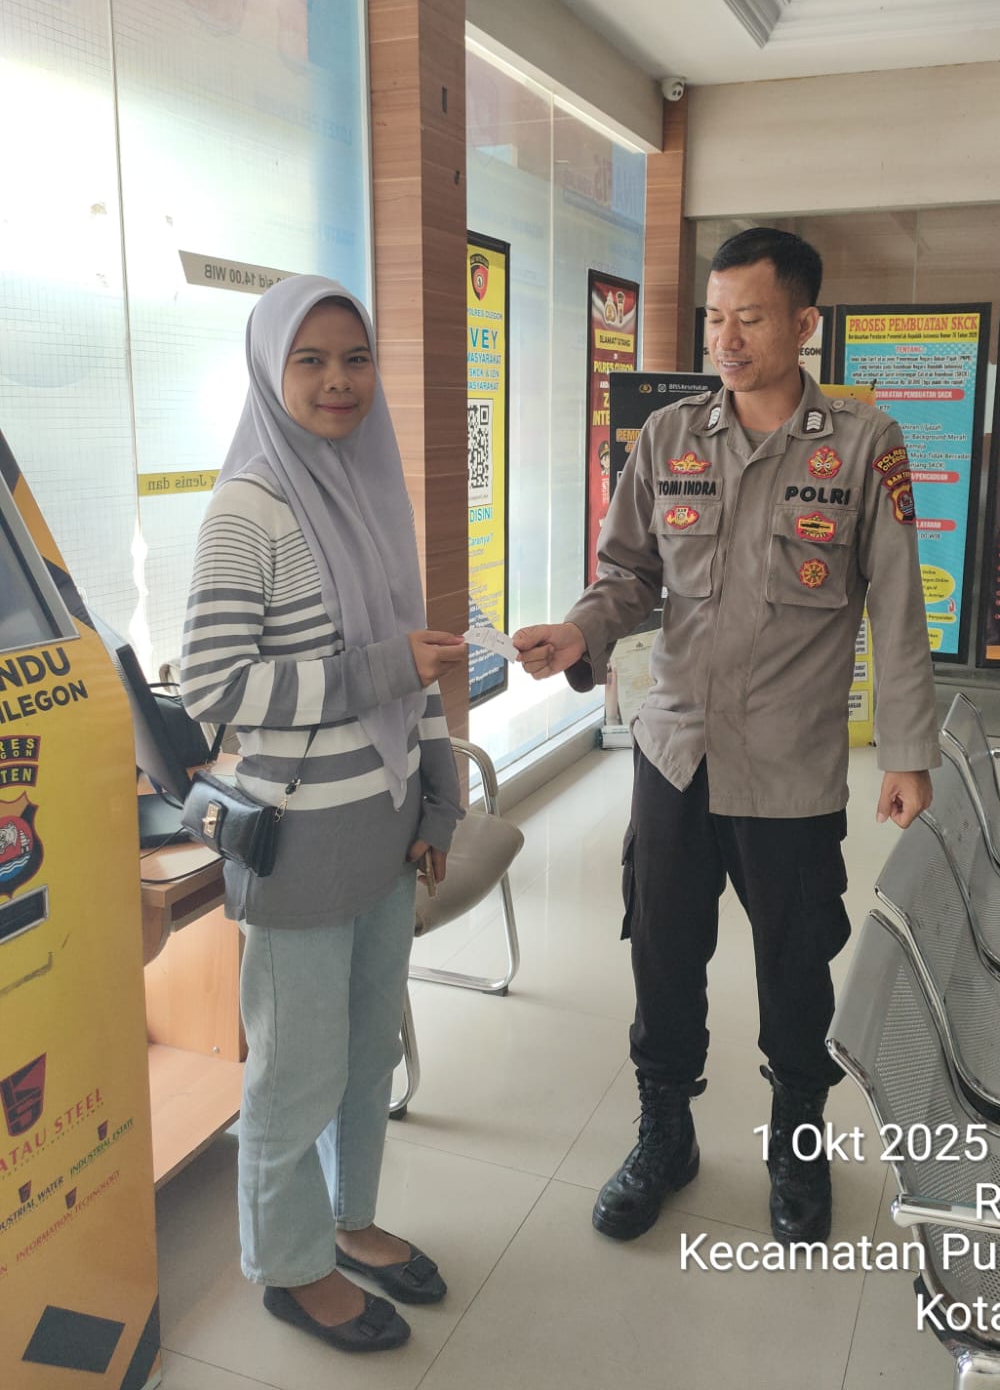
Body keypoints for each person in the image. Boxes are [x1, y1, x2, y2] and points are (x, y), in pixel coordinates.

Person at [514, 227, 938, 1246]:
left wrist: (908, 752)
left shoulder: (864, 443)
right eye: (715, 318)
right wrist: (581, 631)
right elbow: (628, 575)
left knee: (795, 962)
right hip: (674, 753)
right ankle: (665, 1134)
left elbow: (896, 603)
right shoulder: (669, 437)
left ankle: (799, 1142)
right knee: (663, 953)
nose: (727, 338)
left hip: (789, 764)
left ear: (803, 322)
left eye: (750, 317)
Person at [181, 275, 467, 1352]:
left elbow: (417, 669)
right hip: (300, 843)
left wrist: (438, 801)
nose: (339, 381)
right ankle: (290, 1265)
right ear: (271, 370)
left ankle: (349, 1219)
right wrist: (376, 668)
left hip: (385, 835)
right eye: (311, 360)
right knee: (295, 1071)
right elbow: (215, 686)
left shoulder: (375, 489)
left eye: (356, 358)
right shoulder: (248, 508)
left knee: (366, 1052)